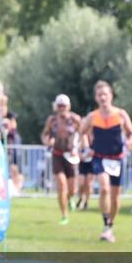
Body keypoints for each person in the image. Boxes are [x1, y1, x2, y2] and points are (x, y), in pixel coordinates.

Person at [79, 81, 132, 243]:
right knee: (104, 188)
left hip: (117, 159)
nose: (103, 97)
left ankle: (109, 227)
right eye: (99, 95)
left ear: (111, 96)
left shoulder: (121, 114)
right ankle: (106, 225)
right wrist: (86, 147)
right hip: (99, 157)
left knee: (115, 198)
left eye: (105, 94)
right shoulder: (92, 117)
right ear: (96, 98)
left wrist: (129, 142)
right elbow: (82, 133)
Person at [41, 94, 83, 225]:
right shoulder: (52, 120)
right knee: (61, 184)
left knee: (71, 189)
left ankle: (70, 199)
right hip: (57, 154)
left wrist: (78, 147)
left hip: (71, 156)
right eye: (59, 105)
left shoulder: (75, 119)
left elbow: (83, 134)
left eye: (64, 105)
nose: (62, 108)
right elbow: (45, 134)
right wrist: (48, 141)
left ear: (68, 106)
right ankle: (64, 215)